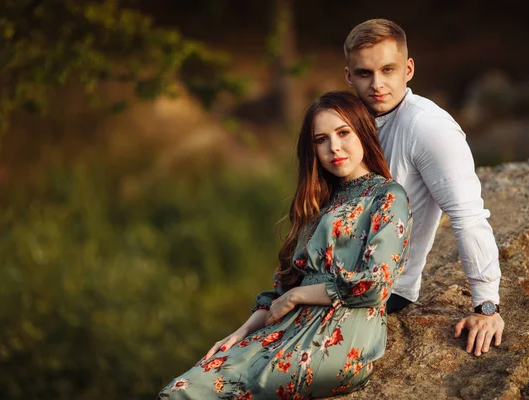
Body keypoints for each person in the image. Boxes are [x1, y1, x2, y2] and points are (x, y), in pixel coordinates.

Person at [157, 91, 411, 399]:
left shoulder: (387, 196)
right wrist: (240, 333)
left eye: (343, 132)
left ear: (363, 132)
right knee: (179, 391)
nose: (334, 147)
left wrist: (298, 295)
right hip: (286, 329)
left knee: (237, 387)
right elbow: (281, 291)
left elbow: (375, 285)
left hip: (339, 338)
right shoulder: (318, 203)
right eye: (321, 140)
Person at [342, 19, 505, 358]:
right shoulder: (350, 120)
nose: (377, 84)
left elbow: (468, 215)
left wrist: (486, 307)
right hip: (334, 271)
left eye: (388, 69)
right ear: (349, 76)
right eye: (364, 74)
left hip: (382, 289)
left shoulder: (428, 127)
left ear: (409, 68)